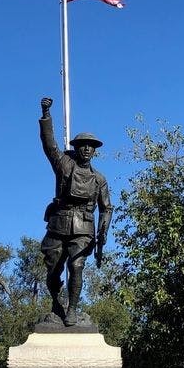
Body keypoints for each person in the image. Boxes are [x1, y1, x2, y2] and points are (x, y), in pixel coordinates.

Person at [39, 97, 112, 326]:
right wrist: (46, 114)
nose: (87, 149)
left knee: (76, 265)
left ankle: (73, 309)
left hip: (83, 226)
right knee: (53, 269)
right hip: (59, 223)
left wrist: (103, 234)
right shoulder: (63, 164)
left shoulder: (99, 179)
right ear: (76, 148)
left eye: (91, 146)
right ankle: (55, 303)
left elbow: (107, 207)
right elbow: (49, 143)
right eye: (83, 145)